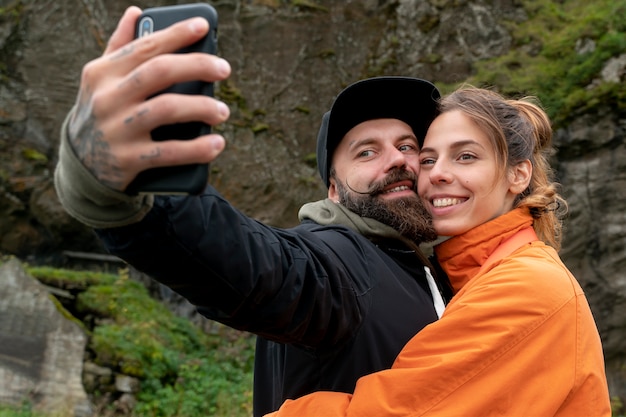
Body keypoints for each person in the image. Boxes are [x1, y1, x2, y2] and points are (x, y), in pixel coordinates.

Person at [53, 6, 451, 417]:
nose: (397, 160)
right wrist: (116, 182)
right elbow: (260, 265)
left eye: (407, 146)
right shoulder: (339, 264)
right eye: (366, 151)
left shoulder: (444, 274)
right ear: (332, 189)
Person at [267, 87, 612, 416]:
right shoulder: (461, 277)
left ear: (518, 175)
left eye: (465, 156)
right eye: (428, 159)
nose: (439, 174)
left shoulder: (528, 285)